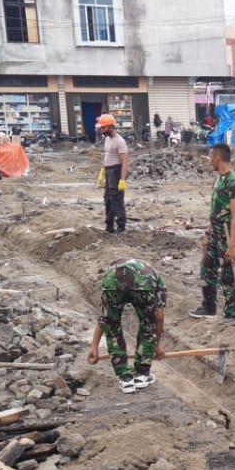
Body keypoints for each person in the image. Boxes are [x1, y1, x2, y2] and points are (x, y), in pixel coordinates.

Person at [86, 259, 166, 394]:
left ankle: (126, 380)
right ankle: (141, 375)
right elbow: (159, 316)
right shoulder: (157, 281)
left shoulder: (112, 272)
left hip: (112, 283)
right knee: (147, 326)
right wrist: (156, 345)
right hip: (141, 285)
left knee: (112, 326)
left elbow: (106, 319)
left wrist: (94, 347)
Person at [191, 144, 235, 322]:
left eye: (210, 157)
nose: (209, 160)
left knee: (228, 273)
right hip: (215, 232)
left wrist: (232, 246)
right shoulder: (218, 179)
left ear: (217, 158)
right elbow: (215, 210)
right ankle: (209, 306)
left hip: (228, 233)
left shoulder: (233, 182)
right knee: (206, 268)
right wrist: (208, 234)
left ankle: (231, 312)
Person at [97, 113, 129, 233]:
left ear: (110, 127)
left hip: (116, 171)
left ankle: (121, 225)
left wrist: (122, 179)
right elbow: (107, 156)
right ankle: (109, 225)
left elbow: (125, 161)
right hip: (108, 170)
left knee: (116, 199)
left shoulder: (119, 142)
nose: (101, 130)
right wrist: (103, 170)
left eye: (103, 127)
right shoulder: (107, 139)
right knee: (107, 199)